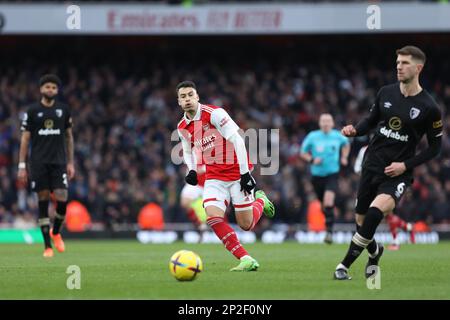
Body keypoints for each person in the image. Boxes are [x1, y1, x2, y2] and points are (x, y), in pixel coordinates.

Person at [335, 46, 442, 280]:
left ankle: (343, 266)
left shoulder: (430, 108)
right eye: (397, 62)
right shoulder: (386, 92)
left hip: (397, 173)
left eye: (404, 63)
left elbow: (435, 148)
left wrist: (405, 166)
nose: (399, 67)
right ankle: (376, 252)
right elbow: (370, 120)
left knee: (375, 213)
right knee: (361, 222)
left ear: (418, 68)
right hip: (371, 164)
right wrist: (355, 130)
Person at [176, 80, 275, 271]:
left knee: (246, 225)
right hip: (214, 178)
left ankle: (260, 200)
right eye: (183, 96)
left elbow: (237, 140)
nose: (187, 99)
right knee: (212, 217)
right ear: (179, 102)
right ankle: (245, 259)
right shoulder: (182, 127)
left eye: (190, 95)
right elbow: (188, 151)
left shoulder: (214, 114)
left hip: (237, 173)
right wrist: (192, 170)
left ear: (197, 97)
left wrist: (246, 174)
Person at [17, 74, 75, 258]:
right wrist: (21, 165)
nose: (50, 90)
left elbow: (69, 137)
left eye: (54, 87)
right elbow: (25, 139)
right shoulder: (33, 111)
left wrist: (71, 162)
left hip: (58, 162)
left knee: (62, 198)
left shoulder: (63, 110)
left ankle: (56, 232)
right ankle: (47, 246)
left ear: (57, 91)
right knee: (42, 200)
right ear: (41, 89)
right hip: (39, 162)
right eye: (47, 87)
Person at [300, 113, 350, 244]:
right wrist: (311, 159)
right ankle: (328, 221)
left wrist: (344, 157)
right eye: (323, 121)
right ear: (320, 123)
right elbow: (303, 152)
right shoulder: (313, 136)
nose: (326, 123)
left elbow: (346, 144)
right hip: (316, 176)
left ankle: (329, 232)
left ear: (332, 123)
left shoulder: (338, 136)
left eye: (328, 121)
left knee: (328, 202)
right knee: (323, 205)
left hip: (332, 174)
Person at [354, 146, 415, 251]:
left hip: (385, 186)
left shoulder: (391, 148)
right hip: (367, 185)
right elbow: (357, 168)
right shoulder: (364, 150)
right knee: (369, 216)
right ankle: (407, 227)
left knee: (387, 214)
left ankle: (395, 242)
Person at [180, 162, 208, 238]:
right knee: (185, 202)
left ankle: (223, 231)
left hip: (209, 184)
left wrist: (204, 168)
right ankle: (200, 225)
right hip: (196, 183)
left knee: (216, 209)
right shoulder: (195, 152)